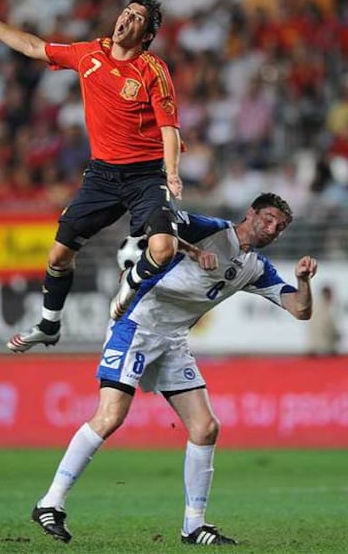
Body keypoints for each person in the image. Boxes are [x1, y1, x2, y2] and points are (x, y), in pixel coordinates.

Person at [30, 193, 317, 545]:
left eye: (281, 227)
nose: (273, 229)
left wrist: (303, 281)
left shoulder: (255, 267)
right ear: (251, 213)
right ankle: (50, 503)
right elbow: (158, 225)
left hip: (172, 341)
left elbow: (300, 310)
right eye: (269, 219)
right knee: (110, 416)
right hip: (136, 324)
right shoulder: (208, 229)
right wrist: (192, 250)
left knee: (206, 427)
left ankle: (193, 526)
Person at [0, 0, 186, 352]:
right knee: (58, 257)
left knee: (163, 248)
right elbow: (34, 46)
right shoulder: (90, 54)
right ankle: (49, 325)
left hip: (145, 176)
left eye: (137, 18)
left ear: (146, 35)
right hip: (101, 177)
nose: (126, 19)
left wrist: (172, 173)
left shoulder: (152, 70)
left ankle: (131, 281)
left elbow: (169, 129)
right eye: (126, 12)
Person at [307, 284, 340, 355]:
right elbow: (319, 328)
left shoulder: (330, 307)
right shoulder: (319, 308)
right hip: (321, 348)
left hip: (328, 346)